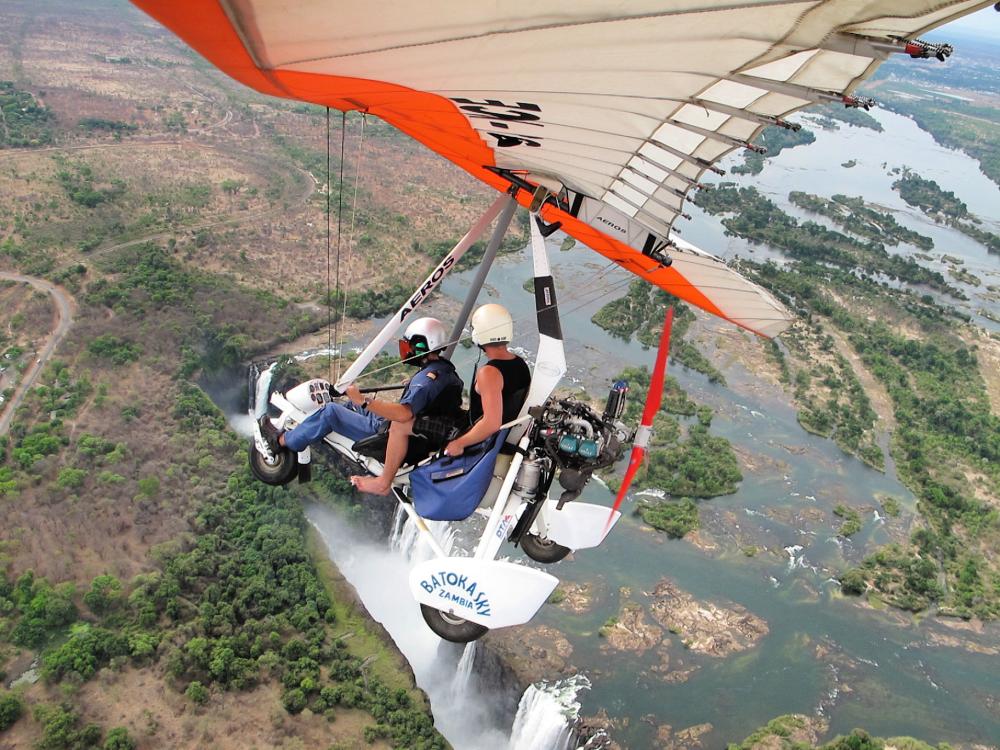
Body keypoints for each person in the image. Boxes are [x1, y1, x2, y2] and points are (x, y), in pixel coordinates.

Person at [259, 317, 464, 495]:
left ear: (422, 346)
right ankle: (311, 428)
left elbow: (404, 414)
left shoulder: (426, 381)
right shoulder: (444, 373)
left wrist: (364, 401)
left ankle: (282, 442)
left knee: (331, 412)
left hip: (392, 435)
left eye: (410, 346)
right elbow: (429, 401)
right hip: (417, 436)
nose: (407, 350)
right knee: (349, 406)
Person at [444, 303, 531, 457]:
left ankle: (386, 479)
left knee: (406, 425)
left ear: (479, 334)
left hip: (480, 440)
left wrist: (459, 443)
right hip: (501, 438)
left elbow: (491, 424)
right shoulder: (520, 363)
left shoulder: (490, 373)